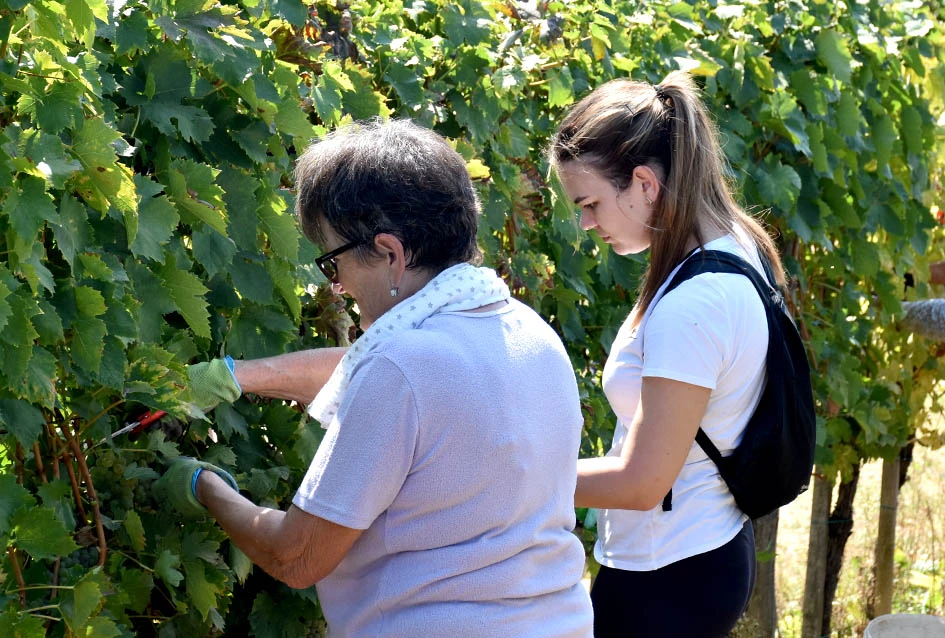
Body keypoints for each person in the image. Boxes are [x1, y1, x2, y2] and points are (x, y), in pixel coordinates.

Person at [157, 119, 593, 637]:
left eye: (331, 262)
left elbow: (296, 556)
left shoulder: (402, 368)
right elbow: (381, 380)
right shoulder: (529, 334)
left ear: (390, 253)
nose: (336, 288)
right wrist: (238, 377)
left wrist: (204, 485)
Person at [549, 71, 778, 636]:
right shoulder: (736, 246)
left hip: (668, 574)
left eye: (591, 202)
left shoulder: (696, 301)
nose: (584, 222)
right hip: (703, 546)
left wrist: (515, 476)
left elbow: (642, 481)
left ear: (645, 184)